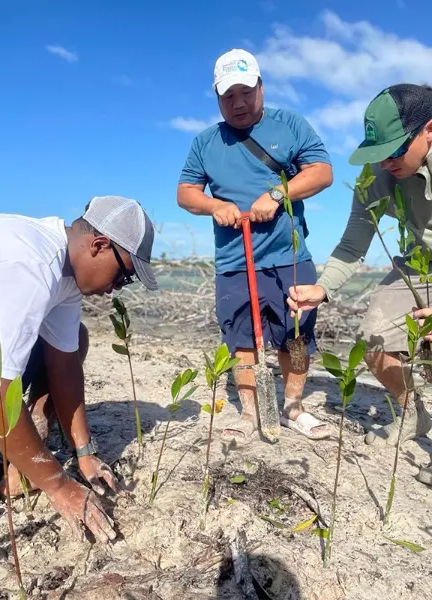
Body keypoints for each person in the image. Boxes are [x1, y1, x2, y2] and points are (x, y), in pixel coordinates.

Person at [177, 48, 333, 443]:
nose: (238, 102)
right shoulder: (206, 142)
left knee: (296, 334)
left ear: (261, 87)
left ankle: (294, 406)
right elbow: (185, 193)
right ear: (218, 97)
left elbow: (322, 173)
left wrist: (279, 194)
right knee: (241, 338)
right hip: (234, 260)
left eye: (246, 91)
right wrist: (215, 205)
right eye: (228, 95)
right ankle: (248, 411)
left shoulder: (291, 125)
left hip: (290, 256)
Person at [0, 195, 158, 542]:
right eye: (123, 277)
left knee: (75, 336)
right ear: (99, 245)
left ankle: (24, 448)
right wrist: (60, 487)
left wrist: (85, 452)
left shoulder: (66, 272)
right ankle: (21, 453)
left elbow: (63, 362)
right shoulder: (30, 268)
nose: (115, 291)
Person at [287, 83, 432, 467]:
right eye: (378, 153)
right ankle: (414, 415)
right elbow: (353, 245)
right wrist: (322, 286)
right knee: (373, 341)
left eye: (395, 151)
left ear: (429, 130)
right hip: (420, 265)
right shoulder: (378, 172)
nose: (386, 163)